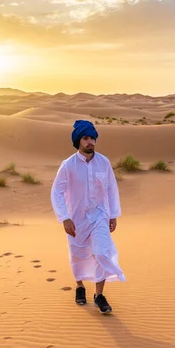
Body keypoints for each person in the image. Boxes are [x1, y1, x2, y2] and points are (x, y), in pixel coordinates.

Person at [50, 119, 125, 314]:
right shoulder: (68, 165)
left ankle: (99, 295)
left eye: (93, 138)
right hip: (76, 218)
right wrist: (64, 217)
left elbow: (111, 188)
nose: (90, 141)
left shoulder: (104, 162)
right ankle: (80, 286)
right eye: (86, 138)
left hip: (100, 215)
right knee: (78, 255)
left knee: (101, 252)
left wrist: (113, 214)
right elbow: (56, 192)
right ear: (78, 141)